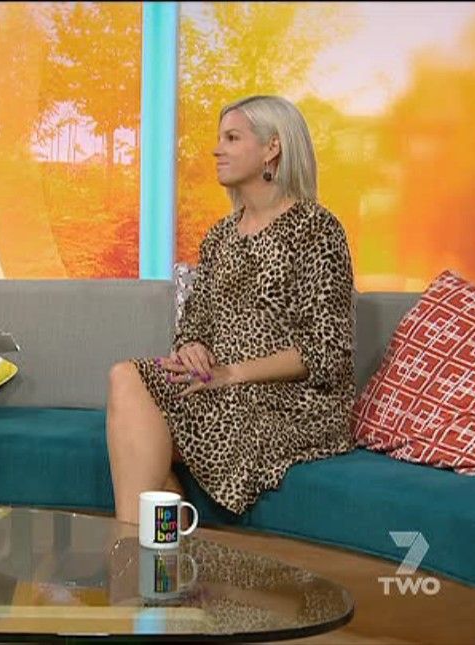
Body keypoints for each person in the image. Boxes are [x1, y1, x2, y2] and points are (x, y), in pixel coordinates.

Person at [105, 95, 355, 523]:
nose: (216, 150)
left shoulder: (317, 229)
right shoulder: (220, 236)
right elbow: (194, 323)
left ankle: (137, 545)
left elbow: (327, 352)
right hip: (220, 385)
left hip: (290, 403)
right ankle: (150, 537)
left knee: (142, 436)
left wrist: (233, 373)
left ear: (272, 147)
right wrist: (192, 348)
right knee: (125, 376)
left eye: (232, 138)